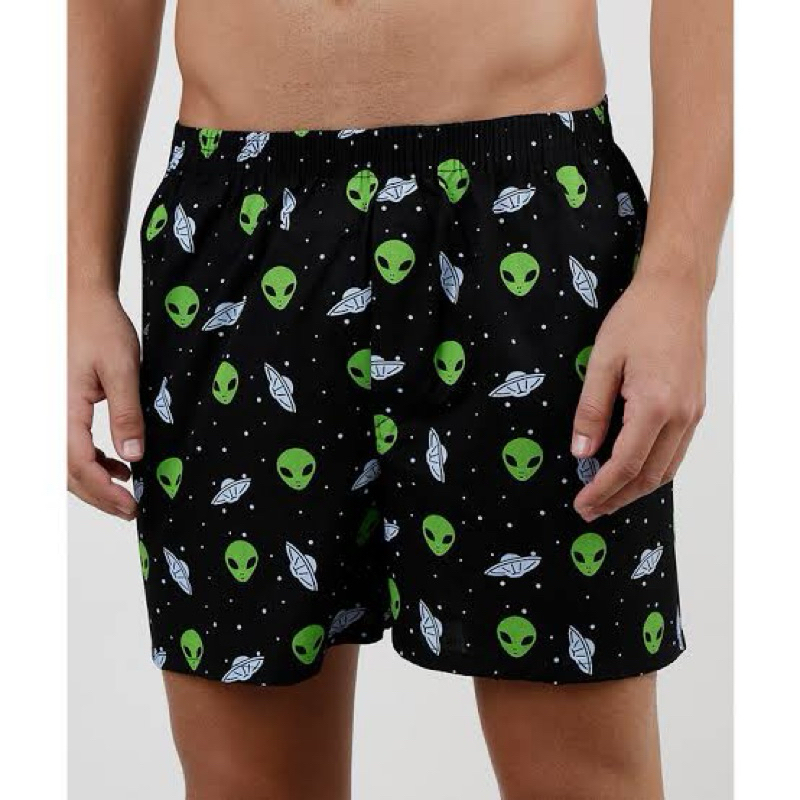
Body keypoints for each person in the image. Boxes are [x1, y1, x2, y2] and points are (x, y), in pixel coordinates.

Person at [68, 1, 732, 797]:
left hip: (525, 211)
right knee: (244, 782)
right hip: (239, 231)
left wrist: (679, 277)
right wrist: (78, 283)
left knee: (586, 779)